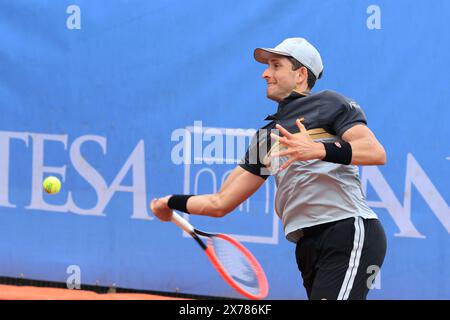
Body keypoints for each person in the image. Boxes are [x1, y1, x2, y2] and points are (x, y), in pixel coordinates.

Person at [151, 37, 387, 300]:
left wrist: (319, 149)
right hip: (306, 244)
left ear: (300, 75)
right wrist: (170, 202)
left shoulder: (329, 103)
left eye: (276, 66)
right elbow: (220, 203)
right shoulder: (266, 137)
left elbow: (375, 152)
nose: (265, 73)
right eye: (267, 67)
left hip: (347, 230)